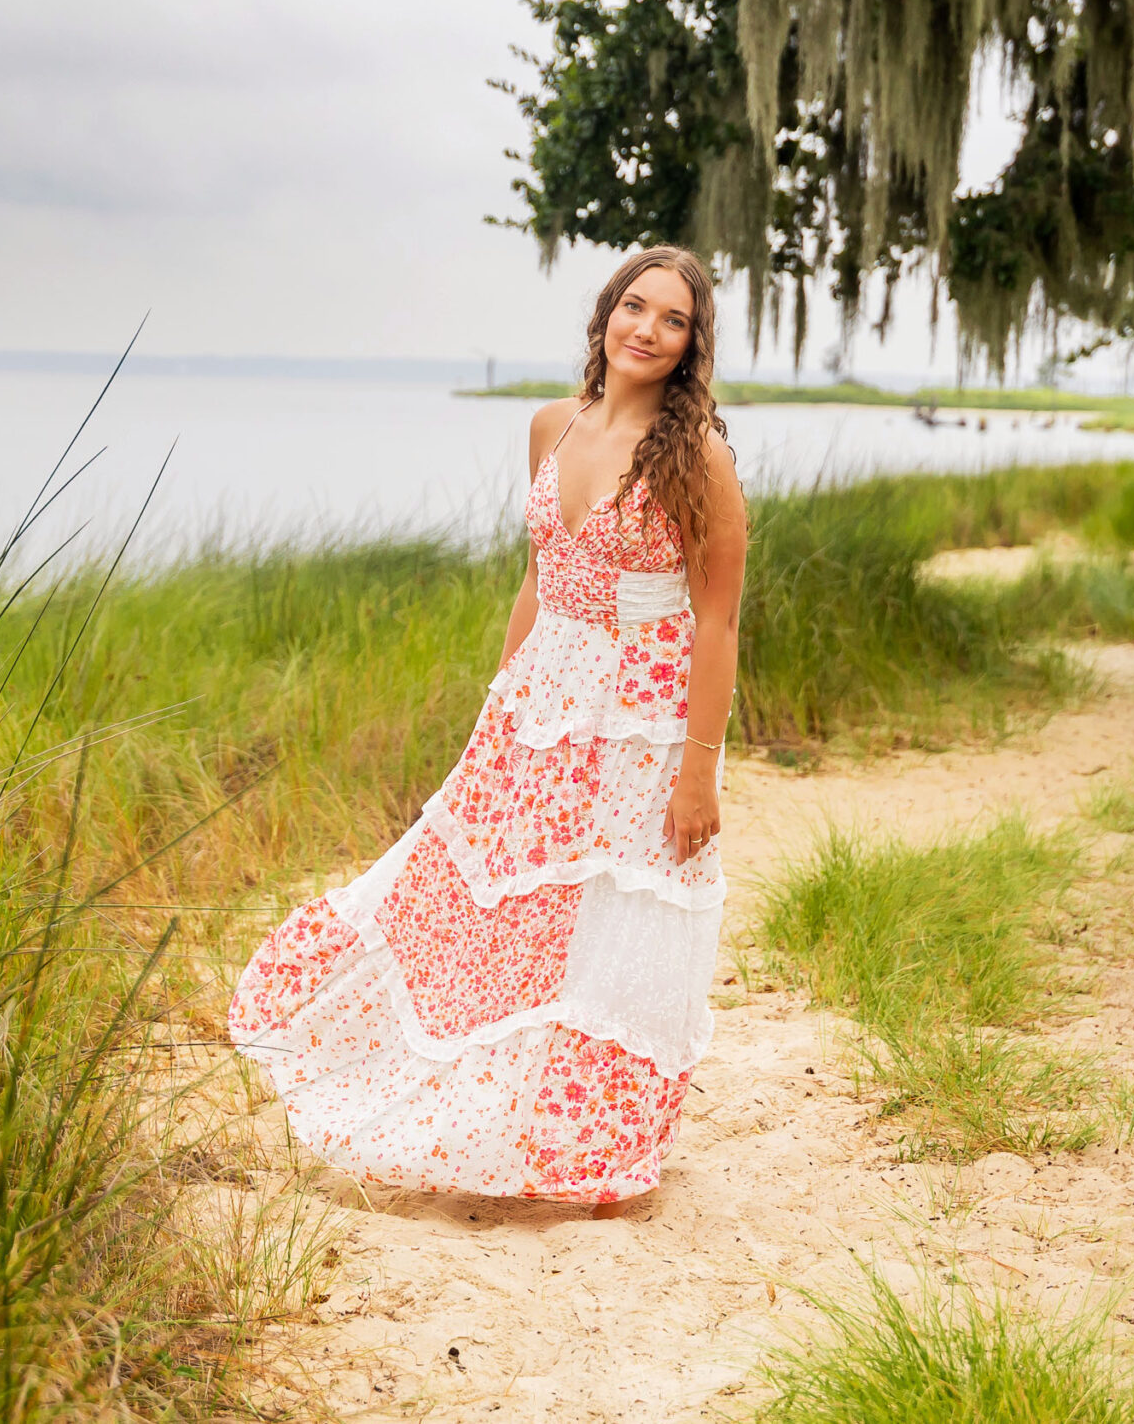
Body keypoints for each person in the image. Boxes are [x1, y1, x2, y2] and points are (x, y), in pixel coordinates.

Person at [227, 246, 747, 1206]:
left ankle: (595, 1145)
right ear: (606, 315)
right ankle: (483, 1112)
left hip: (643, 714)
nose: (648, 328)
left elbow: (715, 619)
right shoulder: (553, 425)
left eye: (672, 320)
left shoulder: (698, 455)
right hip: (543, 701)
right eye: (636, 306)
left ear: (690, 344)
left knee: (613, 916)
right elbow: (539, 577)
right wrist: (501, 702)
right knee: (497, 901)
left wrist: (697, 773)